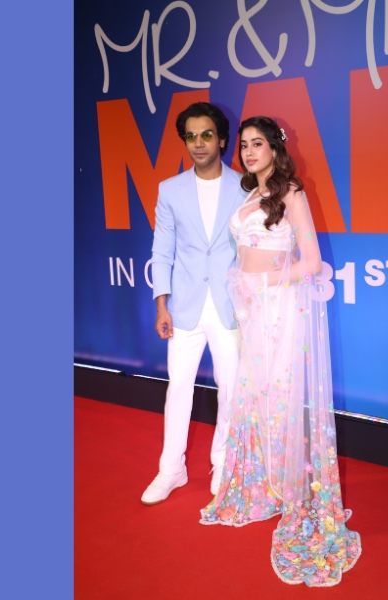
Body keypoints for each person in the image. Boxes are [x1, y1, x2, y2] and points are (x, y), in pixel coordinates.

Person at [199, 117, 362, 587]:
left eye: (258, 144)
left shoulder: (291, 194)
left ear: (275, 148)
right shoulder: (250, 195)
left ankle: (293, 491)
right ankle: (267, 484)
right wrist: (242, 286)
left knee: (280, 400)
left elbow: (311, 263)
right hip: (252, 311)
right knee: (256, 398)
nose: (249, 152)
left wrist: (262, 283)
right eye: (244, 146)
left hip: (280, 310)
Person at [141, 102, 248, 505]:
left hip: (230, 306)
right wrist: (161, 304)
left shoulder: (245, 187)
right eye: (191, 136)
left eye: (206, 135)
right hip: (184, 306)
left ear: (222, 140)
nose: (198, 143)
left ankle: (223, 463)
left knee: (231, 389)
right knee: (178, 388)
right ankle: (172, 469)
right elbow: (162, 250)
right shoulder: (170, 190)